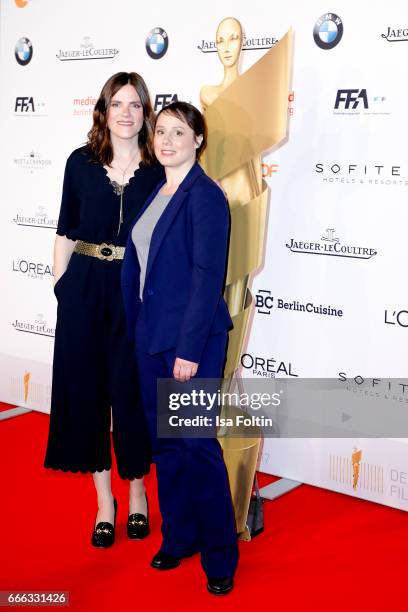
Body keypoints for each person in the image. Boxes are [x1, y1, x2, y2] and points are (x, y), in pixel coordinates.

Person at [121, 101, 239, 595]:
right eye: (161, 131)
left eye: (178, 132)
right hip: (151, 337)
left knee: (196, 447)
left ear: (198, 141)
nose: (166, 140)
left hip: (191, 343)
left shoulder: (204, 196)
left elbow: (207, 277)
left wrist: (188, 349)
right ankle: (180, 537)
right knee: (166, 447)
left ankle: (219, 556)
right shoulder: (156, 191)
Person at [44, 72, 165, 547]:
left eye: (135, 105)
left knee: (131, 394)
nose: (126, 113)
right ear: (103, 110)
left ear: (145, 112)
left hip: (133, 294)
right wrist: (63, 290)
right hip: (84, 289)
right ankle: (103, 502)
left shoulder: (159, 170)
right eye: (118, 103)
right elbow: (64, 231)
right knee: (88, 394)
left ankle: (137, 493)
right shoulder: (80, 163)